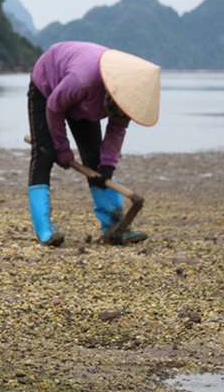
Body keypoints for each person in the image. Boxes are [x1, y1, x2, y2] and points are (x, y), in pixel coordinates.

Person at [27, 41, 160, 246]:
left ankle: (114, 227)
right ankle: (45, 229)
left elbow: (117, 128)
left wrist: (108, 164)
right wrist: (62, 148)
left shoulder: (125, 94)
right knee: (44, 154)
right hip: (48, 86)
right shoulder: (83, 81)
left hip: (84, 102)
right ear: (109, 94)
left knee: (96, 162)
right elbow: (54, 107)